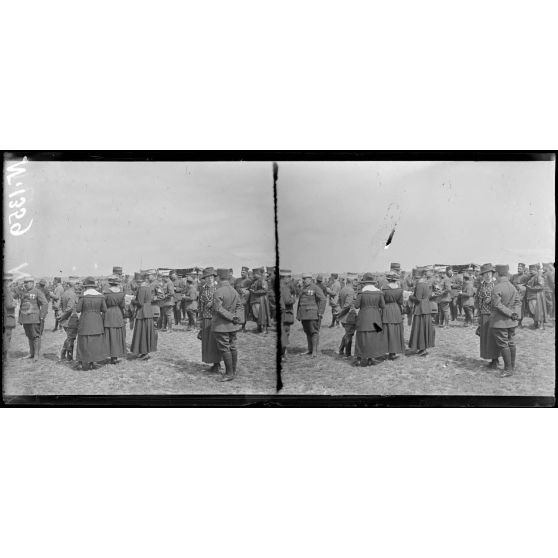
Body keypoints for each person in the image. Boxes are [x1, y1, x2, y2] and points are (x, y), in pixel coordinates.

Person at [211, 268, 243, 381]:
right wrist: (236, 318)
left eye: (216, 277)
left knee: (225, 348)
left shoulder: (218, 291)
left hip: (221, 326)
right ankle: (233, 371)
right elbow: (240, 306)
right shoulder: (233, 290)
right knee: (233, 346)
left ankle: (229, 374)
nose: (215, 279)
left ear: (219, 277)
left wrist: (231, 317)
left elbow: (217, 308)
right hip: (233, 325)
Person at [489, 265, 521, 377]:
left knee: (503, 344)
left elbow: (497, 304)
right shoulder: (512, 287)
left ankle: (508, 369)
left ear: (497, 274)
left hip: (500, 322)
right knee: (511, 342)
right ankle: (512, 366)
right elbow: (518, 302)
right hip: (512, 322)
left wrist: (511, 313)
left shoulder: (497, 287)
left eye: (494, 274)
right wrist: (515, 314)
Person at [353, 273, 388, 366]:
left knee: (361, 337)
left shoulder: (361, 292)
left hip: (363, 318)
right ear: (373, 282)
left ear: (364, 282)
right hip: (376, 318)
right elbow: (383, 306)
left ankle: (359, 359)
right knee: (375, 336)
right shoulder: (379, 292)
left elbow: (356, 306)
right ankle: (370, 358)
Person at [75, 276, 109, 370]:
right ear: (94, 286)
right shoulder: (100, 296)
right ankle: (92, 362)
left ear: (85, 286)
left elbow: (78, 310)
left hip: (85, 321)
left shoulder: (83, 296)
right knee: (95, 342)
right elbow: (105, 309)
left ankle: (81, 362)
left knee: (83, 341)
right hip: (97, 321)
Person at [475, 263, 500, 369]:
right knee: (486, 337)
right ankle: (491, 358)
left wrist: (492, 299)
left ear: (492, 273)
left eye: (489, 273)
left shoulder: (496, 284)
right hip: (484, 314)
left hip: (494, 314)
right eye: (485, 273)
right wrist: (478, 314)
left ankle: (496, 359)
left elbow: (501, 298)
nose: (487, 275)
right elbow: (477, 299)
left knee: (493, 337)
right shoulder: (481, 285)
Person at [18, 276, 48, 361]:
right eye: (25, 283)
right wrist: (20, 319)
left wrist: (42, 316)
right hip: (25, 319)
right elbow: (22, 305)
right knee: (29, 336)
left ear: (32, 283)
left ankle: (36, 355)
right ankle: (31, 353)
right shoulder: (23, 292)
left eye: (27, 283)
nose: (25, 284)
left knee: (36, 336)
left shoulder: (37, 292)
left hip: (34, 318)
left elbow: (45, 303)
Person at [296, 273, 326, 358]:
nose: (304, 281)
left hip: (313, 315)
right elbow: (300, 302)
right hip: (304, 315)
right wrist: (299, 314)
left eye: (305, 279)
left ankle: (314, 351)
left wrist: (320, 312)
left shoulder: (316, 288)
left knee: (314, 332)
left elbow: (323, 299)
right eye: (303, 279)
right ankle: (309, 349)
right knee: (307, 332)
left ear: (310, 279)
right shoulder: (303, 288)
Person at [199, 267, 221, 372]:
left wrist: (212, 302)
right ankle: (213, 362)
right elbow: (200, 304)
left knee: (215, 340)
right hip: (206, 317)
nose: (210, 279)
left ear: (214, 277)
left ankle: (218, 363)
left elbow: (221, 301)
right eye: (207, 277)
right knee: (208, 341)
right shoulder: (203, 288)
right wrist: (200, 318)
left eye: (211, 277)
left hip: (216, 317)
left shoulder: (218, 288)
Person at [130, 273, 158, 360]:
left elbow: (140, 303)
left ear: (139, 281)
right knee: (146, 333)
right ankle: (144, 352)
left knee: (141, 333)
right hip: (148, 311)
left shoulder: (141, 288)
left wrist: (133, 300)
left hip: (142, 313)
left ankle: (144, 352)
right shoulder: (148, 287)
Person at [408, 271, 435, 356]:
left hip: (420, 310)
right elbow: (429, 296)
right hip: (426, 308)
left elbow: (418, 299)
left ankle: (422, 348)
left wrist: (410, 296)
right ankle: (423, 348)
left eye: (415, 277)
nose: (415, 279)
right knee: (424, 329)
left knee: (419, 329)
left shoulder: (420, 285)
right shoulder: (427, 284)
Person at [103, 275, 127, 364]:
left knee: (109, 334)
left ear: (110, 283)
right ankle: (115, 356)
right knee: (117, 334)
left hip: (108, 313)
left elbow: (103, 305)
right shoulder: (121, 293)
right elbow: (123, 306)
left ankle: (109, 353)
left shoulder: (106, 293)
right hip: (118, 313)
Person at [382, 272, 405, 360]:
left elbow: (381, 301)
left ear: (388, 279)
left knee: (386, 329)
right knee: (395, 330)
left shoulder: (384, 289)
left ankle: (384, 350)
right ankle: (393, 353)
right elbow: (401, 302)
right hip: (396, 310)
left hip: (386, 309)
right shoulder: (399, 289)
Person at [58, 280, 80, 360]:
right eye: (78, 284)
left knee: (69, 337)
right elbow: (70, 308)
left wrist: (61, 316)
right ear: (75, 285)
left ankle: (65, 355)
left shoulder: (65, 293)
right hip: (71, 319)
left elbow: (60, 306)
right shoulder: (73, 294)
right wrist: (63, 316)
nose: (79, 286)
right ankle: (68, 357)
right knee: (71, 338)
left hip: (65, 320)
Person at [337, 277, 357, 358]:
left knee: (347, 333)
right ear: (352, 281)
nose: (357, 282)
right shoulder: (351, 290)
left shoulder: (343, 289)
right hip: (349, 316)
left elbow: (339, 302)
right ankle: (347, 354)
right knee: (349, 335)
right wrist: (340, 313)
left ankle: (341, 350)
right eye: (356, 281)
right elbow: (348, 305)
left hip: (344, 317)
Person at [279, 269, 296, 361]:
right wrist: (293, 299)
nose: (289, 279)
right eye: (289, 277)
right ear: (285, 277)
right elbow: (287, 301)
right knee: (285, 334)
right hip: (285, 314)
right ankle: (282, 355)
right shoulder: (284, 287)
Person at [524, 264, 547, 329]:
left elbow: (541, 286)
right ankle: (536, 323)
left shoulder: (539, 277)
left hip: (537, 296)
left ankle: (541, 325)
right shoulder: (531, 277)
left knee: (538, 311)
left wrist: (530, 288)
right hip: (531, 296)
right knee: (533, 311)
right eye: (530, 270)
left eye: (532, 270)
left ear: (536, 270)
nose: (530, 271)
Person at [249, 268, 271, 334]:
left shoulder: (263, 280)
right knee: (256, 315)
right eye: (253, 274)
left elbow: (265, 290)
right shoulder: (254, 281)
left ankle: (264, 329)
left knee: (261, 314)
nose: (254, 275)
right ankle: (259, 327)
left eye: (255, 274)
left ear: (258, 274)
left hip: (260, 300)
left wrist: (255, 292)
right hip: (254, 300)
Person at [3, 273, 17, 361]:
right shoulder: (6, 290)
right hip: (7, 317)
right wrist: (14, 304)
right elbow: (8, 305)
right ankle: (5, 357)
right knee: (7, 336)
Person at [234, 267, 251, 333]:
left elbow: (250, 290)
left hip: (245, 299)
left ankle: (243, 327)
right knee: (237, 312)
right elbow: (234, 288)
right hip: (237, 298)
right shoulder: (237, 280)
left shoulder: (249, 281)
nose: (242, 273)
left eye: (243, 272)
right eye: (241, 272)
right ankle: (236, 326)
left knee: (245, 313)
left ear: (246, 273)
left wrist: (245, 291)